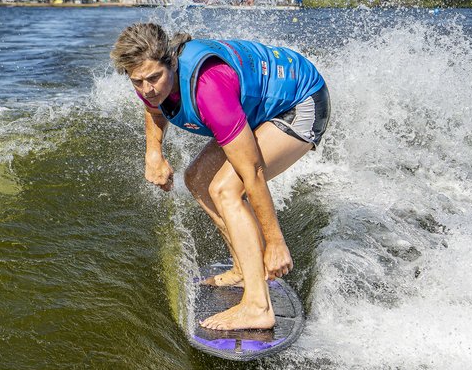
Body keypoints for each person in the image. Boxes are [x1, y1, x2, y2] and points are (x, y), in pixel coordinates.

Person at [111, 23, 330, 331]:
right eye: (138, 81)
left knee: (226, 189)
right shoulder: (150, 81)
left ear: (171, 62)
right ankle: (243, 269)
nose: (148, 89)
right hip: (255, 106)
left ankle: (258, 306)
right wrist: (153, 154)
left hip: (299, 102)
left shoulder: (208, 88)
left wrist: (275, 242)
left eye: (154, 78)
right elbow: (155, 108)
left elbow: (251, 173)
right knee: (198, 180)